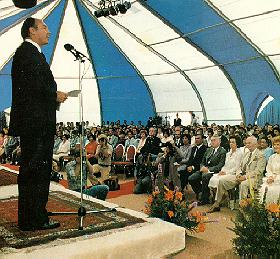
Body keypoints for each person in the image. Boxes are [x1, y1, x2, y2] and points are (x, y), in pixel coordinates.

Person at [9, 17, 68, 231]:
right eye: (44, 27)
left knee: (34, 171)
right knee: (35, 172)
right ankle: (34, 219)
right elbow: (34, 87)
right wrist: (55, 95)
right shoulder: (28, 53)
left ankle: (32, 216)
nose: (49, 32)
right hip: (36, 124)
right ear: (32, 31)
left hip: (36, 123)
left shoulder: (31, 53)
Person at [207, 136, 243, 212]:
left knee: (220, 180)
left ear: (237, 144)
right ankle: (221, 197)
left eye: (233, 142)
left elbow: (237, 167)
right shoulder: (228, 153)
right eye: (230, 142)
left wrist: (226, 173)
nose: (231, 144)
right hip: (226, 172)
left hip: (233, 174)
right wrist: (222, 171)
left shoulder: (239, 153)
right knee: (213, 179)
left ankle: (217, 203)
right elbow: (225, 165)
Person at [188, 134, 226, 205]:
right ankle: (200, 192)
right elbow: (202, 161)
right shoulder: (209, 150)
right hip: (204, 169)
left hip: (214, 171)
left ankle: (204, 199)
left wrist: (208, 169)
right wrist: (202, 167)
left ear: (219, 141)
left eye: (214, 140)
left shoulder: (222, 151)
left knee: (205, 176)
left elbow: (220, 165)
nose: (212, 142)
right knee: (191, 178)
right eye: (211, 140)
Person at [259, 136, 280, 204]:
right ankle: (266, 210)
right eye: (274, 145)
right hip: (271, 179)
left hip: (278, 180)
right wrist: (270, 176)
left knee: (274, 190)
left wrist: (275, 179)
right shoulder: (272, 157)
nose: (275, 146)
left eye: (278, 144)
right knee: (264, 188)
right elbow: (268, 169)